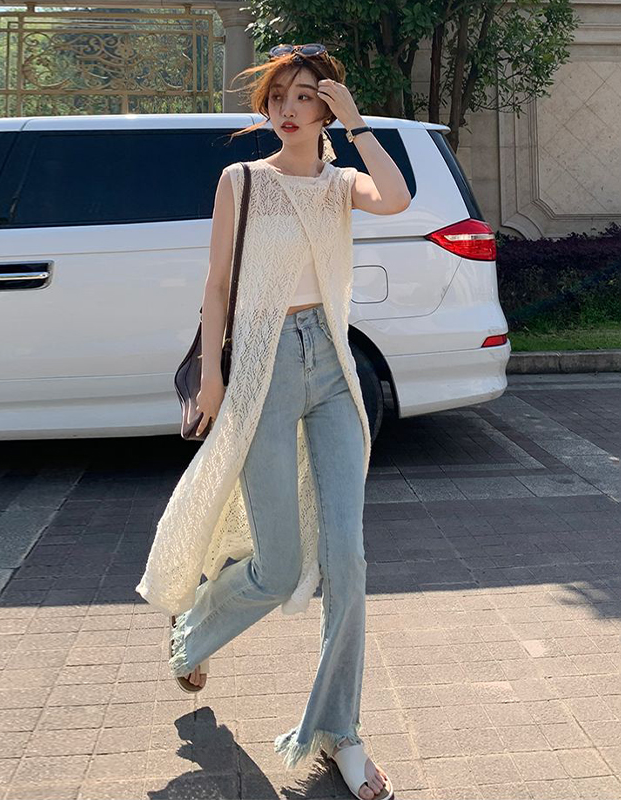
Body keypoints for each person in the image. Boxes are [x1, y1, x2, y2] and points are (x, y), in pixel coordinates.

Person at [137, 43, 410, 800]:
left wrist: (358, 124)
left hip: (334, 367)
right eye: (279, 97)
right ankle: (195, 626)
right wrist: (214, 376)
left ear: (326, 107)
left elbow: (396, 199)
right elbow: (217, 284)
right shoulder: (243, 180)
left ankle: (340, 731)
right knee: (281, 566)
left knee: (348, 559)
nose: (289, 109)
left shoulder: (340, 184)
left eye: (305, 96)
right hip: (264, 368)